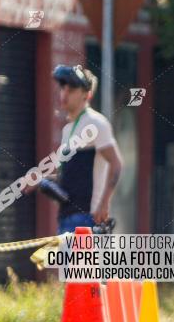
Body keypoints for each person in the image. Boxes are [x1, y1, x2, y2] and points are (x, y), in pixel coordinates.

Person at [50, 65, 123, 233]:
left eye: (72, 88)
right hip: (66, 218)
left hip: (86, 219)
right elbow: (70, 175)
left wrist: (104, 204)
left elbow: (116, 163)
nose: (65, 93)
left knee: (80, 261)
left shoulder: (96, 122)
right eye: (63, 87)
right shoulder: (67, 130)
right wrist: (41, 181)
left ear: (87, 94)